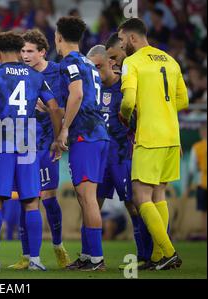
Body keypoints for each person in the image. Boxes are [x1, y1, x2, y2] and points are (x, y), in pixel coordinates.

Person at [0, 31, 63, 271]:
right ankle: (35, 260)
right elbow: (54, 108)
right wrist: (57, 138)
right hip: (28, 144)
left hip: (0, 143)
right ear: (19, 50)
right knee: (31, 201)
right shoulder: (35, 75)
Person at [118, 18, 188, 270]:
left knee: (140, 195)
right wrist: (162, 107)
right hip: (172, 136)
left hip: (149, 136)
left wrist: (127, 116)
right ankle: (159, 256)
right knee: (159, 194)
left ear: (133, 38)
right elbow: (183, 100)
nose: (121, 43)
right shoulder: (170, 60)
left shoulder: (132, 62)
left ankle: (168, 252)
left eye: (122, 38)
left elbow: (127, 102)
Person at [87, 44, 153, 269]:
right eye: (91, 68)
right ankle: (90, 257)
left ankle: (146, 255)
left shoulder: (126, 88)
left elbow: (142, 118)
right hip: (98, 158)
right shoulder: (90, 89)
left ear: (111, 63)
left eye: (98, 67)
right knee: (91, 204)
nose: (95, 72)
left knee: (133, 205)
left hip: (122, 155)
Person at [9, 28, 70, 270]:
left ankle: (58, 246)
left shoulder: (56, 72)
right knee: (27, 198)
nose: (25, 55)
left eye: (30, 51)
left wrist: (53, 114)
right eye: (22, 51)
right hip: (24, 143)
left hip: (47, 143)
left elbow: (67, 107)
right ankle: (27, 255)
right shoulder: (18, 74)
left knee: (48, 198)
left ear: (42, 52)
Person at [54, 17, 110, 272]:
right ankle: (88, 255)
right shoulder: (88, 62)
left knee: (87, 198)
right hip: (98, 135)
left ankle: (96, 258)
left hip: (85, 136)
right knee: (86, 197)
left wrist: (64, 127)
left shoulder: (70, 63)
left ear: (58, 37)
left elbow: (77, 93)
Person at [187, 124, 207, 240]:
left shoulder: (197, 147)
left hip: (202, 182)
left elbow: (191, 169)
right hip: (202, 182)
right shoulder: (197, 147)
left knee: (203, 212)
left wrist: (189, 185)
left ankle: (205, 234)